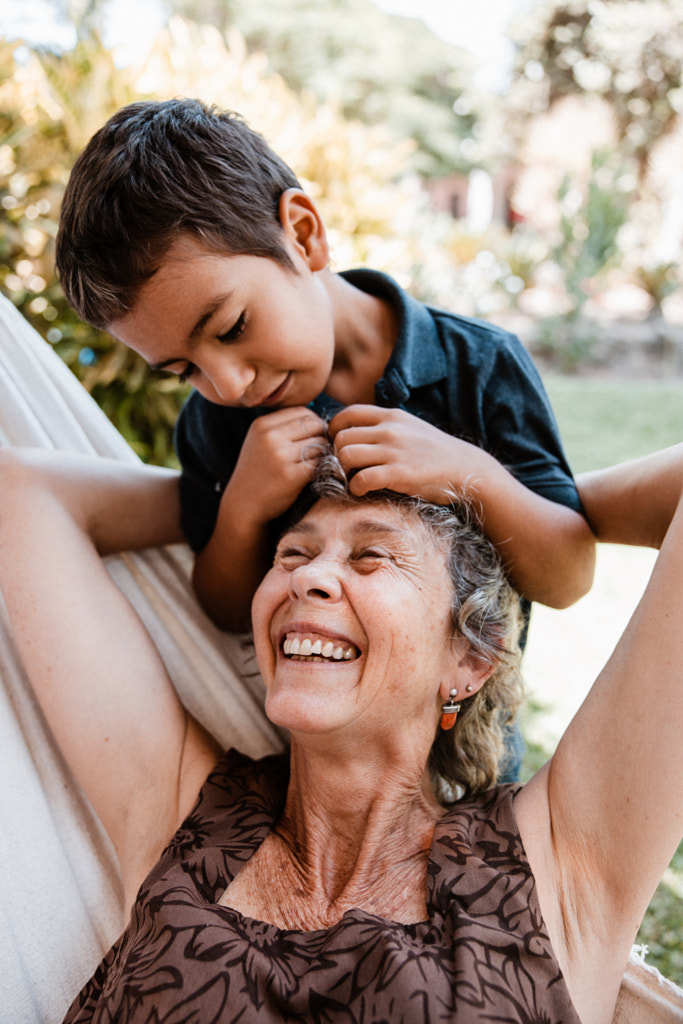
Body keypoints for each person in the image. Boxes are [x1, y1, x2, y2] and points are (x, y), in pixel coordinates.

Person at [0, 439, 680, 1024]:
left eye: (370, 557)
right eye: (292, 554)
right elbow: (22, 491)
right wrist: (232, 499)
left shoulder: (559, 862)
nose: (309, 578)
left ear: (471, 659)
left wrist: (517, 498)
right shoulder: (185, 812)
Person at [54, 98, 595, 642]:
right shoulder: (214, 423)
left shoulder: (480, 364)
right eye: (183, 369)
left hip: (469, 697)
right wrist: (241, 511)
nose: (229, 385)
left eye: (233, 327)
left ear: (304, 235)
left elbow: (569, 577)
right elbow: (225, 614)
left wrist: (467, 474)